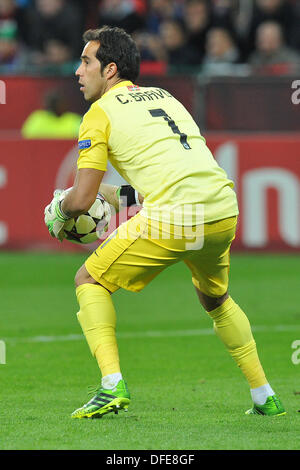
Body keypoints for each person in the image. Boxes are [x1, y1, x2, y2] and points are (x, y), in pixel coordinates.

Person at [44, 25, 286, 419]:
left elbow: (80, 199)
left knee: (89, 280)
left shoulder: (98, 114)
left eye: (86, 61)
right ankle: (265, 395)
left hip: (176, 214)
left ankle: (111, 386)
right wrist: (110, 196)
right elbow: (163, 178)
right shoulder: (167, 98)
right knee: (216, 299)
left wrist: (59, 211)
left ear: (110, 70)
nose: (77, 70)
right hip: (222, 207)